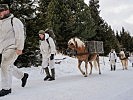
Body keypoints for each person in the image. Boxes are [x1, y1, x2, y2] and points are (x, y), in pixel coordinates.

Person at [0, 4, 29, 97]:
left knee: (4, 65)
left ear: (7, 11)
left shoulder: (15, 21)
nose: (0, 13)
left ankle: (6, 88)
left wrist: (20, 48)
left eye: (1, 11)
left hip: (13, 47)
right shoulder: (1, 22)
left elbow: (20, 35)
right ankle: (23, 76)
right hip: (3, 49)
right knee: (9, 66)